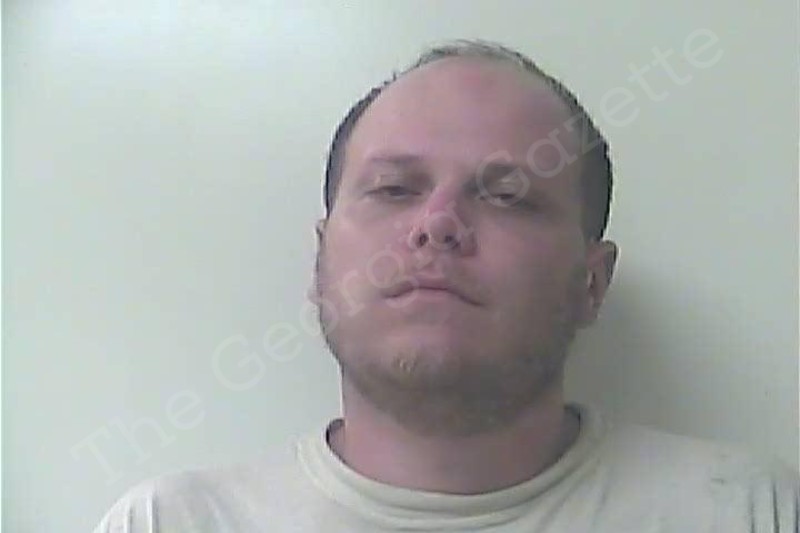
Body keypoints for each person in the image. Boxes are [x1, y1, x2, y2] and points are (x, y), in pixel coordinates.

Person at [93, 39, 798, 532]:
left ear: (592, 282)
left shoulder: (747, 512)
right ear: (319, 262)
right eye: (394, 188)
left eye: (508, 196)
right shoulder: (172, 523)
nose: (438, 225)